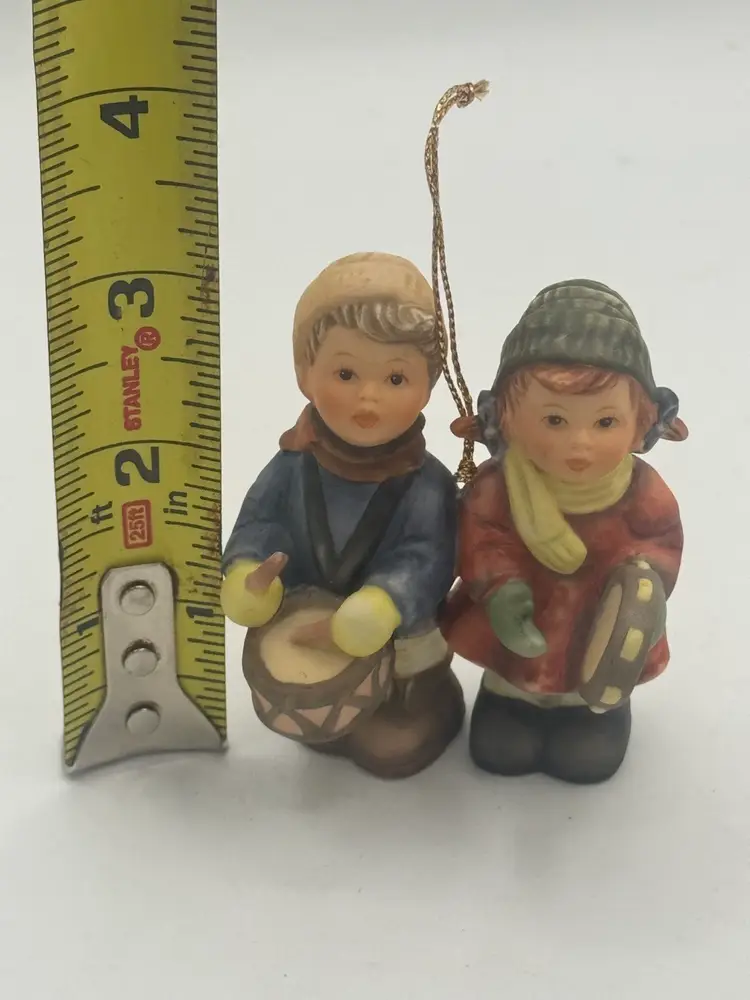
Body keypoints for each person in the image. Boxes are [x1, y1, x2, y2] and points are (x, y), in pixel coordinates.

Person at [221, 252, 464, 778]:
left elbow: (429, 555)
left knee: (391, 737)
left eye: (396, 378)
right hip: (309, 629)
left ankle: (419, 704)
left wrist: (384, 601)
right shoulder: (292, 466)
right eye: (346, 373)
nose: (368, 398)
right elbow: (261, 522)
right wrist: (248, 571)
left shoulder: (426, 484)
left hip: (401, 647)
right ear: (304, 374)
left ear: (428, 386)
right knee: (332, 721)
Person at [441, 278, 688, 784]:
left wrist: (639, 588)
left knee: (587, 743)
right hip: (520, 629)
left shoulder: (642, 493)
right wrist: (501, 588)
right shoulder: (498, 486)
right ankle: (511, 708)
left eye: (604, 422)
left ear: (640, 423)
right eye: (554, 420)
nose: (580, 444)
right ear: (508, 418)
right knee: (502, 738)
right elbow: (480, 536)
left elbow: (661, 545)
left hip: (592, 630)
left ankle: (591, 717)